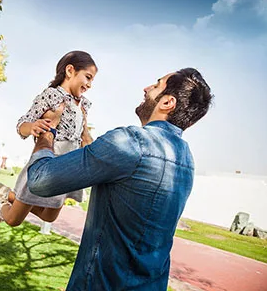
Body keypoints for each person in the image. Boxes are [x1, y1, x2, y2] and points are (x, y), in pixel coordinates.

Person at [27, 68, 213, 290]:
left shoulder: (130, 142)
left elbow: (40, 179)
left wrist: (48, 131)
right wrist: (85, 134)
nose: (146, 88)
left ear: (167, 103)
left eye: (156, 85)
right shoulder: (185, 159)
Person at [0, 50, 97, 226]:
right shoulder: (51, 95)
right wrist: (32, 127)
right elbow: (22, 123)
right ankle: (3, 196)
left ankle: (11, 195)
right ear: (70, 71)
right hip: (47, 163)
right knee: (13, 219)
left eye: (92, 80)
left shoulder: (83, 105)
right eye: (88, 77)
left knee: (50, 216)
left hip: (68, 165)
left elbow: (82, 136)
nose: (90, 84)